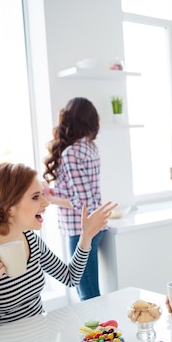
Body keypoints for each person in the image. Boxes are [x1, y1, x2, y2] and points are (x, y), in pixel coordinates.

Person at [0, 162, 116, 337]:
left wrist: (86, 236)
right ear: (8, 207)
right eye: (36, 197)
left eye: (42, 195)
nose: (46, 203)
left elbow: (70, 278)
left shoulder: (31, 240)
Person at [43, 97, 108, 300]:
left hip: (81, 231)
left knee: (88, 295)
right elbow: (84, 193)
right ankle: (100, 331)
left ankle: (101, 332)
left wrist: (51, 200)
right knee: (88, 292)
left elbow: (82, 203)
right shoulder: (90, 147)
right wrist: (58, 194)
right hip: (95, 227)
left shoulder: (71, 152)